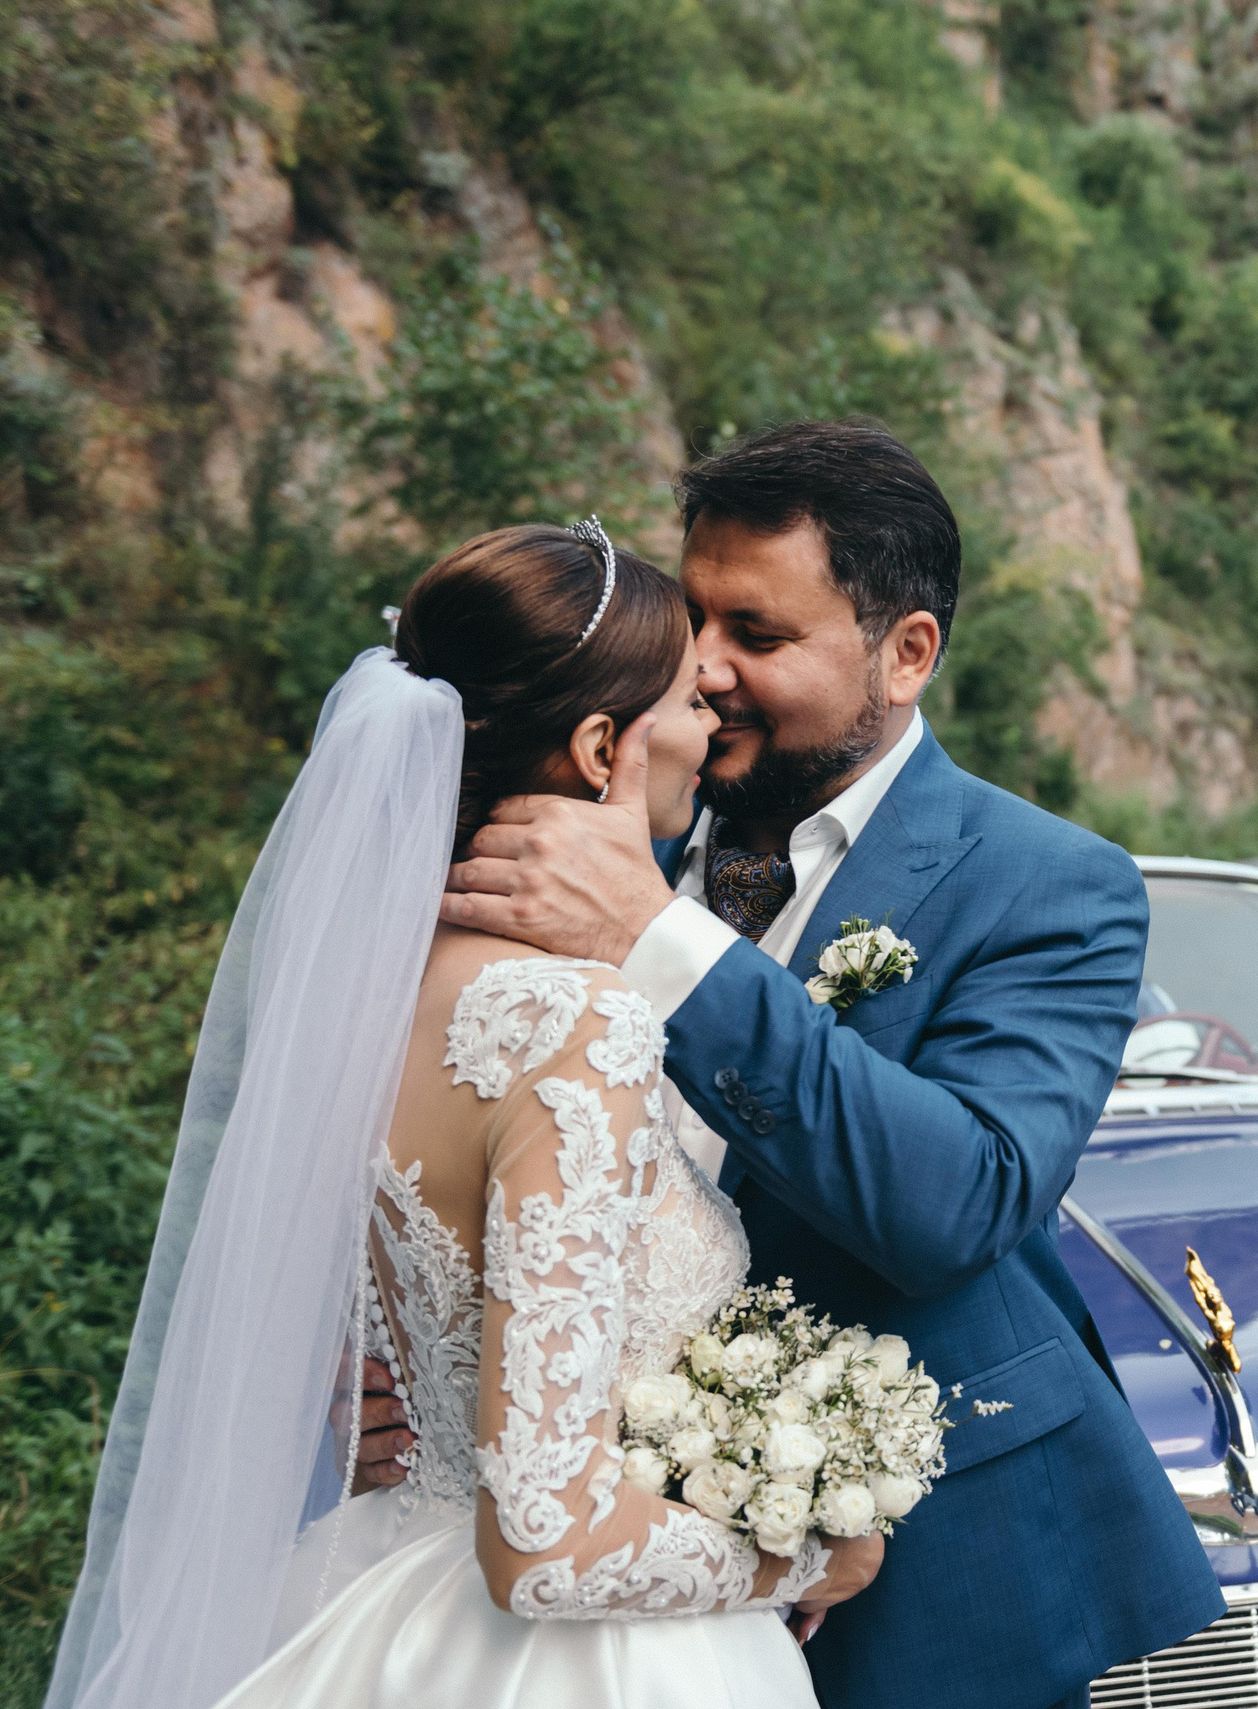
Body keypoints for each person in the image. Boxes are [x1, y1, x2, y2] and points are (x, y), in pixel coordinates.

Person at [433, 420, 1225, 1709]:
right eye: (694, 621)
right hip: (604, 1585)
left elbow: (957, 1200)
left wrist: (660, 938)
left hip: (933, 1558)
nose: (704, 669)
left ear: (904, 653)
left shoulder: (1052, 885)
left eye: (760, 632)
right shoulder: (586, 831)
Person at [45, 524, 880, 1709]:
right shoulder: (569, 1021)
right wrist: (810, 1549)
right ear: (601, 747)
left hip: (373, 1587)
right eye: (690, 701)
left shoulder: (356, 993)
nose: (710, 734)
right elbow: (544, 1536)